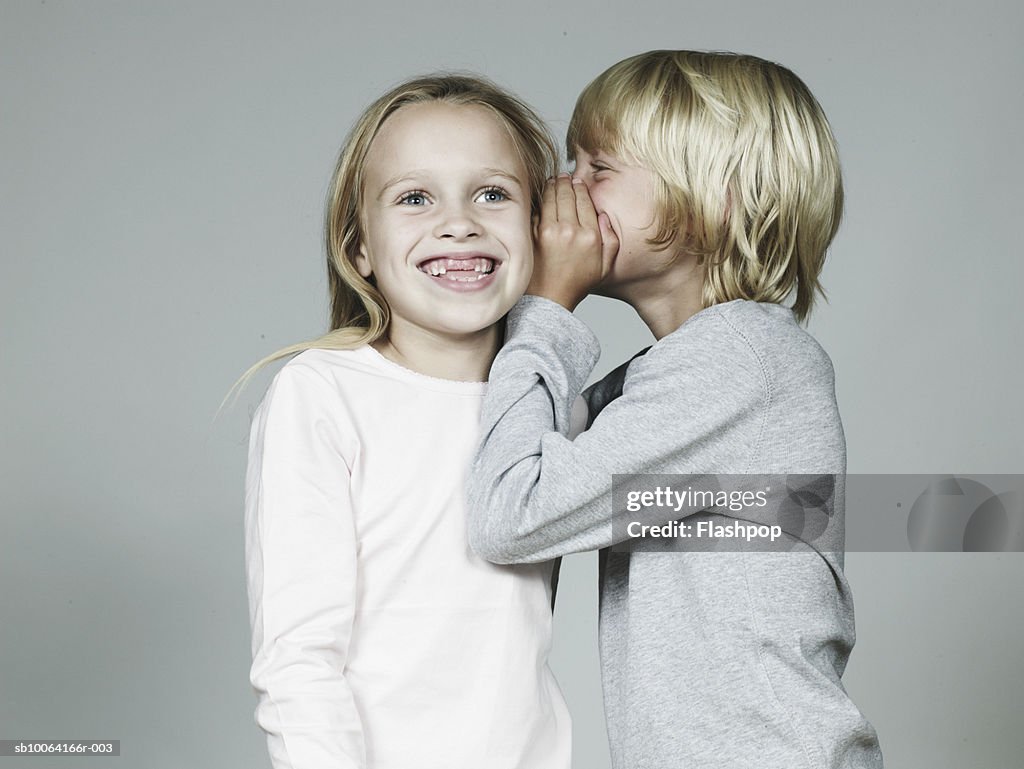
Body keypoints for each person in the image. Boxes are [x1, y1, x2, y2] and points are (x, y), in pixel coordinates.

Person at [466, 51, 884, 768]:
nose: (565, 190)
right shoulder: (682, 379)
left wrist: (546, 308)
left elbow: (512, 512)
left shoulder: (739, 360)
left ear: (715, 196)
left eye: (598, 168)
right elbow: (527, 439)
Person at [240, 74, 572, 769]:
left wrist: (825, 509)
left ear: (539, 229)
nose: (459, 222)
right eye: (415, 197)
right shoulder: (322, 395)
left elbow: (705, 504)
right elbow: (299, 660)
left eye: (493, 193)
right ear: (359, 247)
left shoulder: (544, 403)